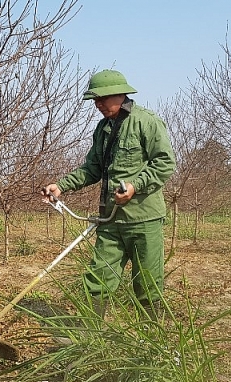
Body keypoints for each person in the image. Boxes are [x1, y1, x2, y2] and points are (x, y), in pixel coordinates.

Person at [41, 69, 176, 318]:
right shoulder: (103, 129)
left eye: (102, 98)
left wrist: (135, 186)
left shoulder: (147, 122)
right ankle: (90, 340)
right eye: (95, 100)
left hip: (143, 219)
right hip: (110, 220)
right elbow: (93, 168)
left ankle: (153, 344)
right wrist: (61, 186)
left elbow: (164, 163)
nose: (98, 104)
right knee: (98, 280)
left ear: (120, 94)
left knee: (147, 284)